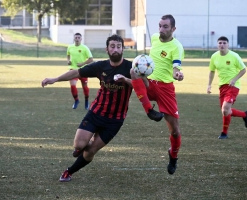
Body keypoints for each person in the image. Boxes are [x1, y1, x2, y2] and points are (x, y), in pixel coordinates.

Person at [41, 34, 161, 182]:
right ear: (107, 49)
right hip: (96, 113)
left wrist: (127, 79)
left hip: (115, 120)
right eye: (112, 46)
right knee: (78, 145)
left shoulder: (133, 67)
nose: (115, 49)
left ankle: (69, 171)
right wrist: (55, 79)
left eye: (118, 46)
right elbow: (76, 72)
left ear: (123, 49)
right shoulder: (100, 66)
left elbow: (145, 87)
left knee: (90, 151)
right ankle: (83, 144)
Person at [130, 14, 184, 175]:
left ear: (173, 29)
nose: (161, 29)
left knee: (174, 130)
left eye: (165, 27)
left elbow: (176, 68)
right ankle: (149, 110)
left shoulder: (177, 47)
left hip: (166, 88)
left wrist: (177, 74)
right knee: (134, 71)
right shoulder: (154, 38)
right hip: (150, 82)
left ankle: (173, 155)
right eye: (160, 26)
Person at [207, 36, 247, 139]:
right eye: (220, 43)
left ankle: (224, 133)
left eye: (224, 43)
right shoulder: (214, 57)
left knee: (225, 109)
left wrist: (234, 79)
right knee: (225, 110)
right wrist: (209, 85)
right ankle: (245, 115)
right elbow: (212, 71)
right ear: (217, 45)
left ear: (228, 45)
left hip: (233, 86)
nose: (222, 45)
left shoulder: (234, 56)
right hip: (222, 86)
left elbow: (243, 69)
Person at [67, 32, 94, 110]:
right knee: (72, 85)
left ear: (81, 39)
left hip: (83, 70)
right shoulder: (70, 47)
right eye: (76, 37)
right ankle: (76, 100)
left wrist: (82, 64)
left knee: (84, 86)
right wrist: (68, 60)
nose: (77, 39)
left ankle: (86, 101)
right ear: (74, 38)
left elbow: (91, 59)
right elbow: (68, 55)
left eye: (79, 37)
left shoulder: (85, 48)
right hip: (73, 69)